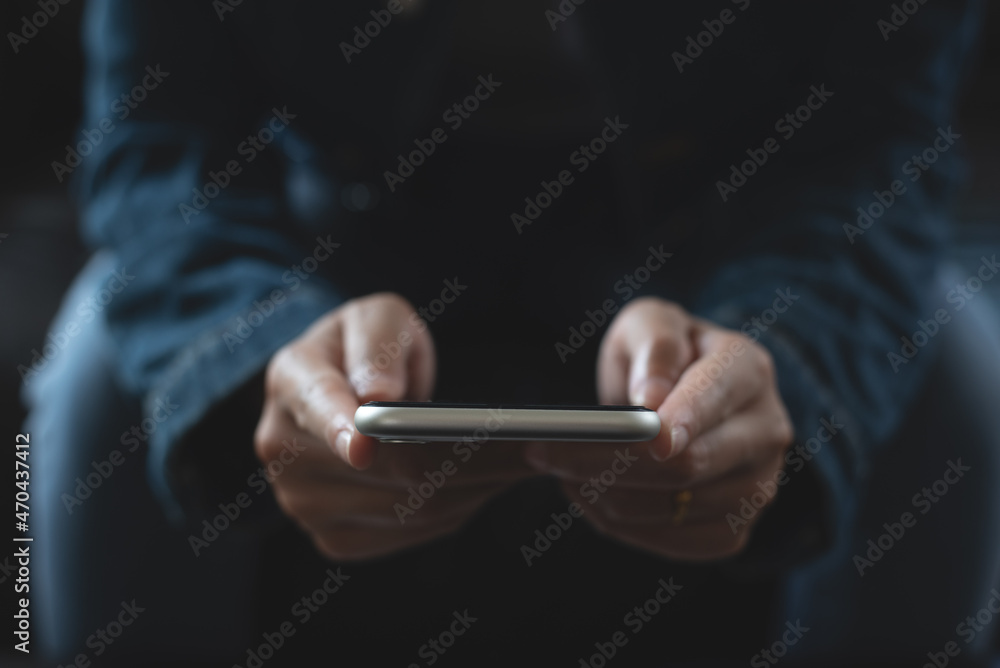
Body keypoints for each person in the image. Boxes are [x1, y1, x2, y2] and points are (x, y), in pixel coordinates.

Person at [26, 0, 995, 665]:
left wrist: (779, 347)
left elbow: (876, 140)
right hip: (340, 227)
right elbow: (161, 138)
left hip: (723, 230)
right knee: (92, 388)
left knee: (955, 379)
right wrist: (258, 339)